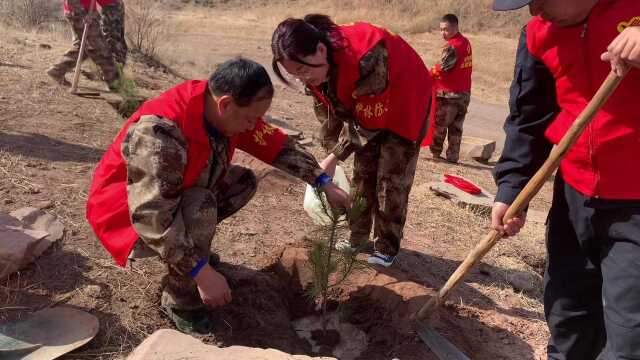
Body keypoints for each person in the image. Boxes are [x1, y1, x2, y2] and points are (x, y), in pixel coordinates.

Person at [86, 58, 349, 335]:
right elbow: (152, 215)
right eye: (250, 119)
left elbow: (275, 144)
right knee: (201, 205)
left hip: (170, 197)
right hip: (127, 217)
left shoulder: (219, 109)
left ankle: (191, 254)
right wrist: (200, 271)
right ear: (225, 104)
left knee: (242, 182)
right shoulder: (161, 133)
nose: (252, 127)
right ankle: (181, 300)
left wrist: (322, 181)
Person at [490, 0, 640, 358]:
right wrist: (513, 188)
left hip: (635, 201)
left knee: (629, 337)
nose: (534, 11)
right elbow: (529, 117)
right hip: (575, 197)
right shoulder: (539, 34)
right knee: (567, 315)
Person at [271, 14, 435, 268]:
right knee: (362, 174)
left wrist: (334, 156)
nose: (301, 78)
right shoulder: (315, 67)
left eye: (303, 70)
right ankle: (356, 237)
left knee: (390, 182)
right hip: (368, 106)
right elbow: (329, 110)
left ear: (321, 50)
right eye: (294, 74)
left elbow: (369, 124)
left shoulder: (367, 55)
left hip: (405, 101)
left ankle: (386, 245)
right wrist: (329, 153)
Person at [429, 14, 473, 164]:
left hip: (449, 95)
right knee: (456, 128)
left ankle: (435, 154)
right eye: (441, 30)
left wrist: (427, 74)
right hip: (464, 93)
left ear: (455, 27)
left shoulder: (452, 46)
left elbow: (442, 68)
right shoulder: (465, 42)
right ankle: (453, 157)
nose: (443, 33)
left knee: (440, 125)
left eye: (446, 29)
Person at [47, 0, 120, 88]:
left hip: (85, 12)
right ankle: (114, 82)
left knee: (83, 46)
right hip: (81, 13)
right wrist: (83, 14)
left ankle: (57, 71)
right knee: (100, 47)